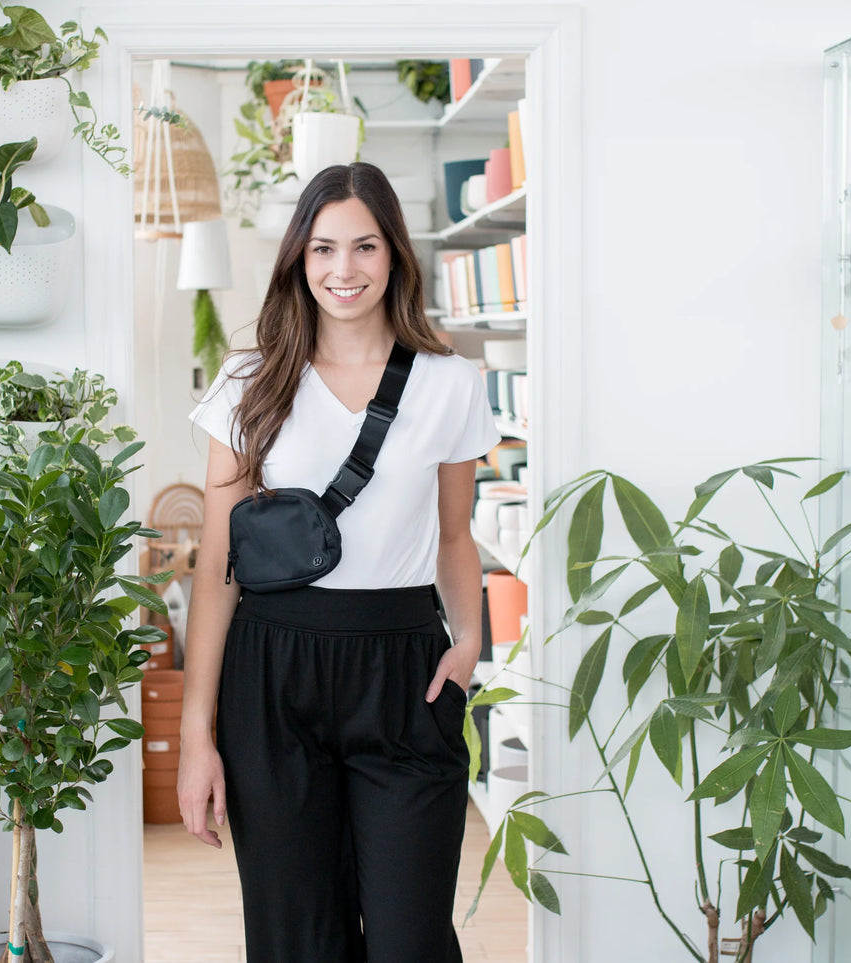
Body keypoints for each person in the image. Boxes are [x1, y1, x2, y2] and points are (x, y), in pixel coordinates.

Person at [179, 161, 500, 963]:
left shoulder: (449, 383)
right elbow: (216, 566)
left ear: (393, 254)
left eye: (363, 246)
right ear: (299, 257)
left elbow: (454, 537)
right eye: (322, 248)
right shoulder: (248, 382)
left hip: (404, 670)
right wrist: (195, 734)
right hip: (272, 674)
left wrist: (468, 641)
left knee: (408, 940)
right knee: (296, 941)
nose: (342, 269)